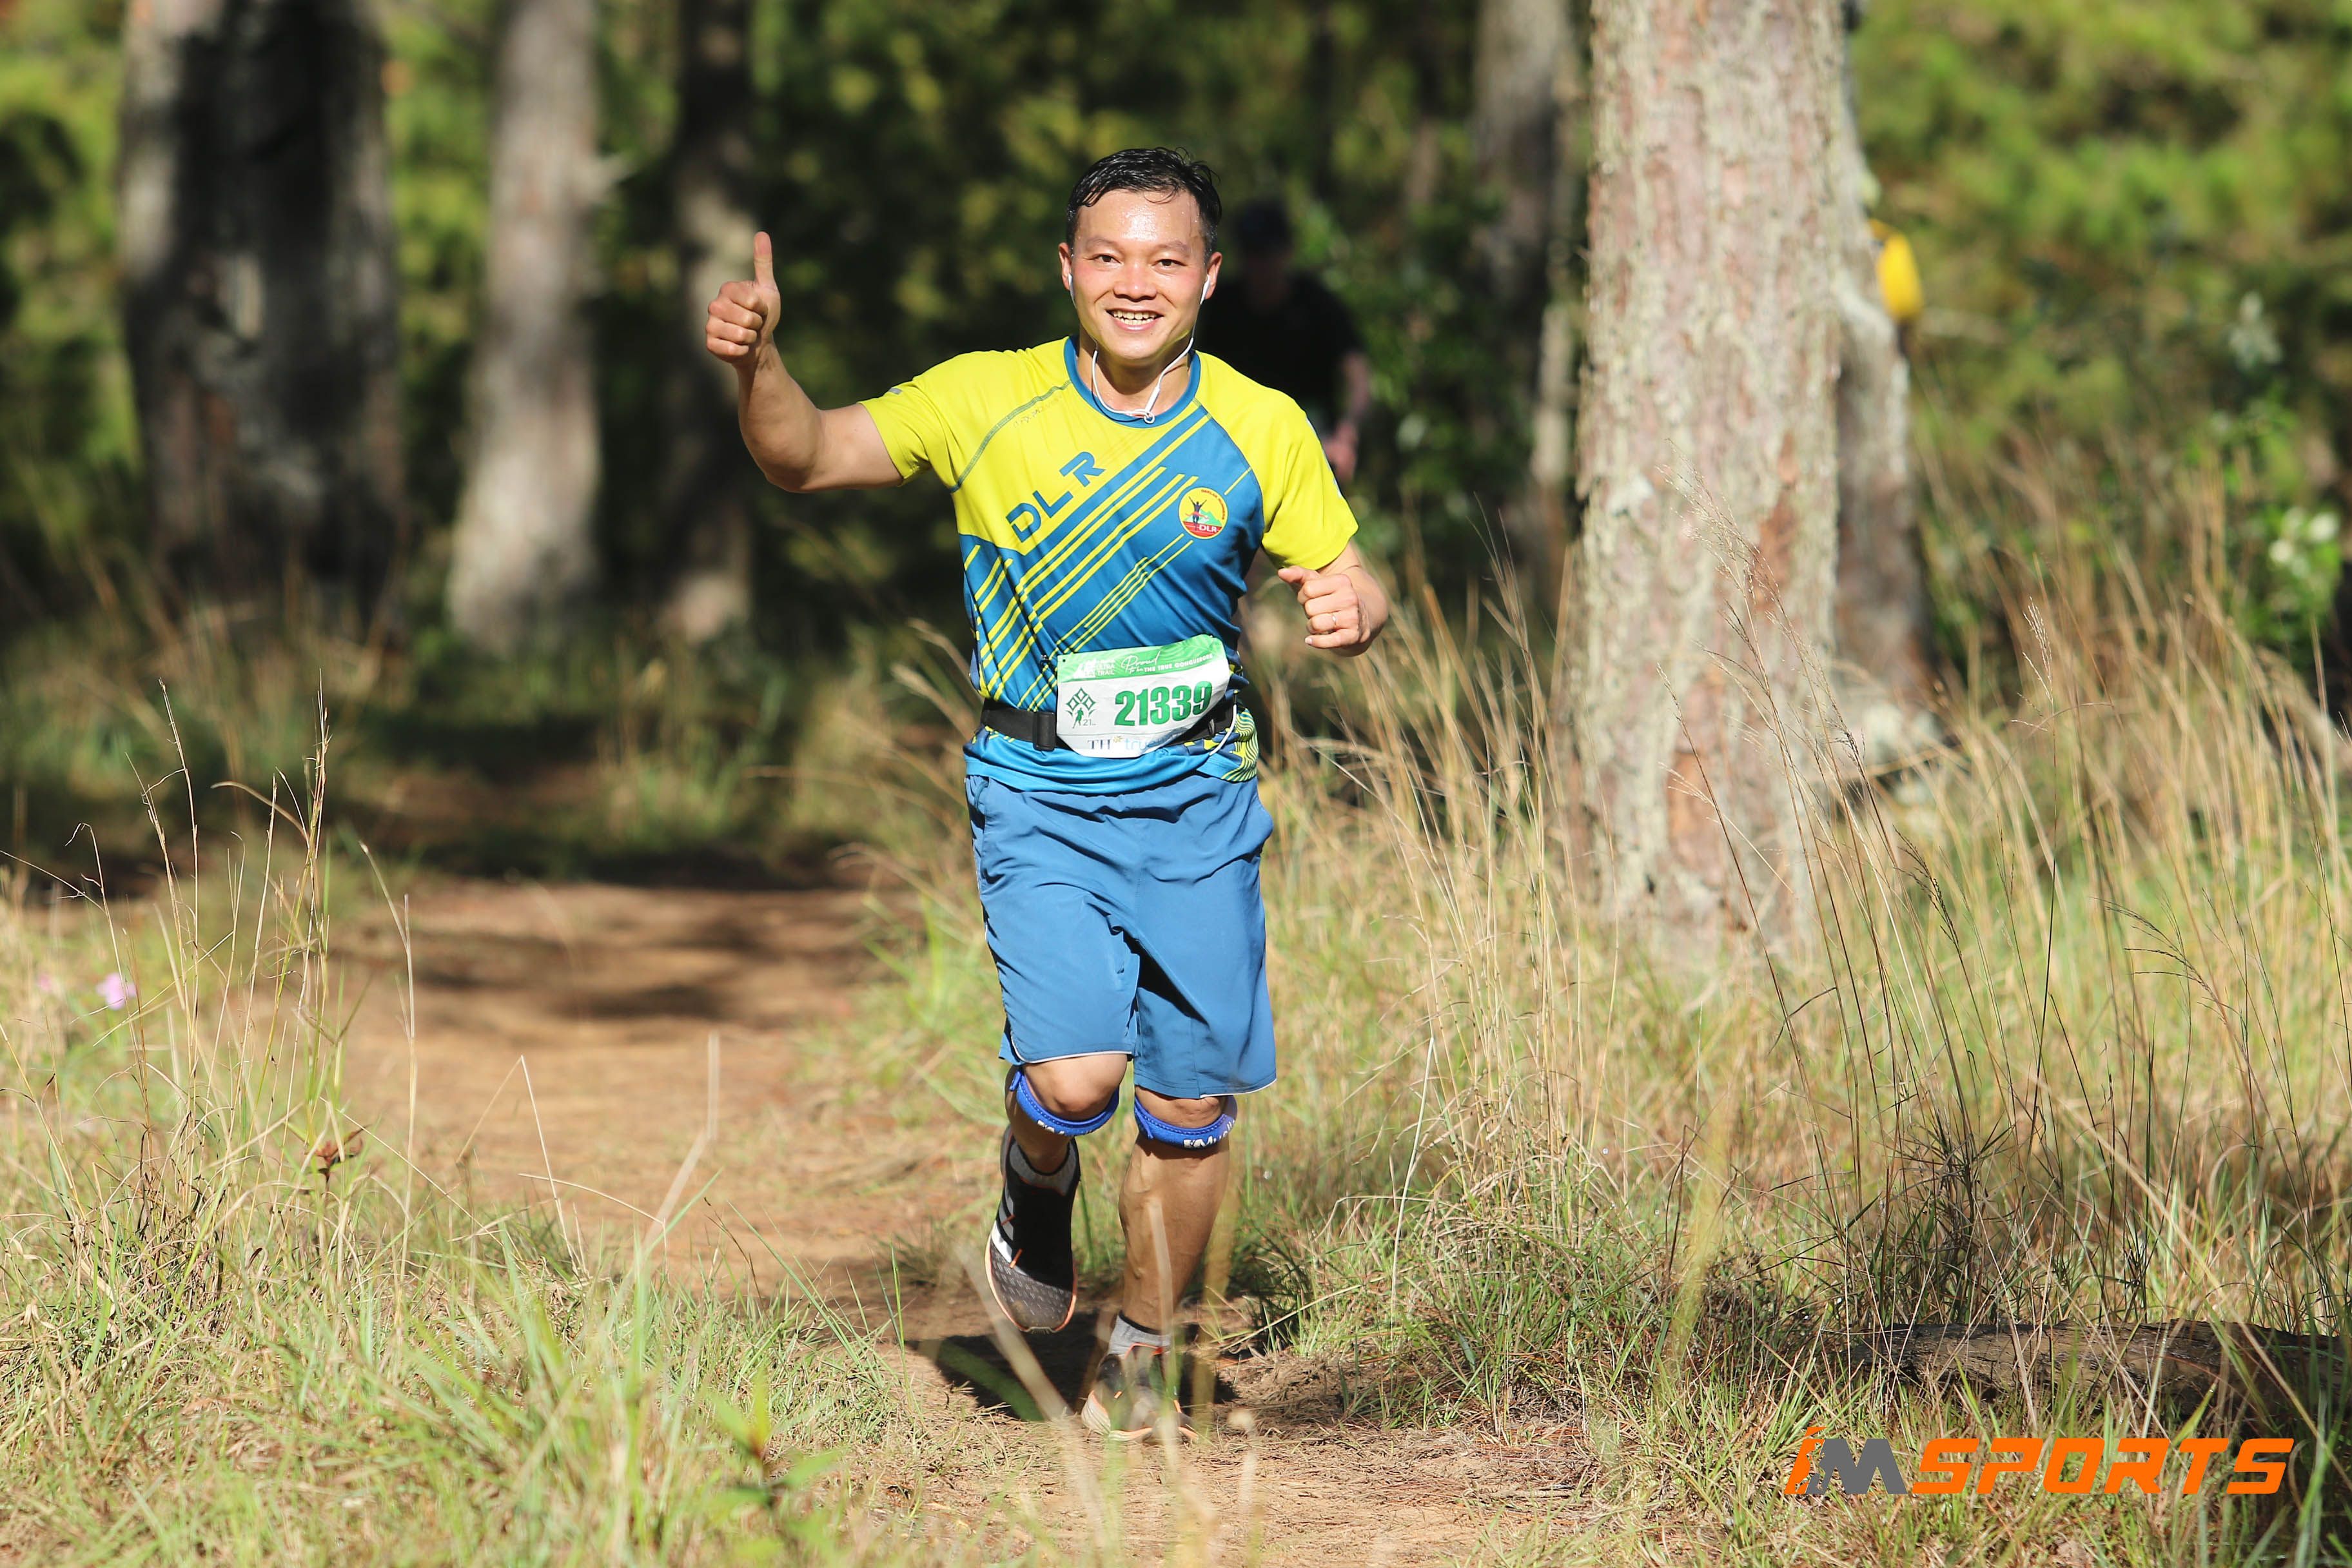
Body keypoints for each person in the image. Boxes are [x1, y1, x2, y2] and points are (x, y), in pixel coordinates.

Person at [703, 148, 1389, 1441]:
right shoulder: (985, 398)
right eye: (1109, 256)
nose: (1136, 283)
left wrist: (1361, 608)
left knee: (1190, 1108)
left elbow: (1349, 569)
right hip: (1040, 791)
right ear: (1068, 267)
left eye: (1165, 259)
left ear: (1208, 278)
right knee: (1075, 1082)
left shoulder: (1260, 424)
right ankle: (1034, 1172)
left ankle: (1139, 1350)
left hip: (1198, 796)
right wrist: (760, 366)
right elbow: (807, 455)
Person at [1197, 199, 1373, 484]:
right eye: (1251, 254)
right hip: (1237, 444)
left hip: (1313, 441)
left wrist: (1347, 433)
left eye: (1267, 254)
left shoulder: (1318, 304)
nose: (1259, 266)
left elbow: (1358, 377)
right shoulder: (1221, 307)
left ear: (1287, 252)